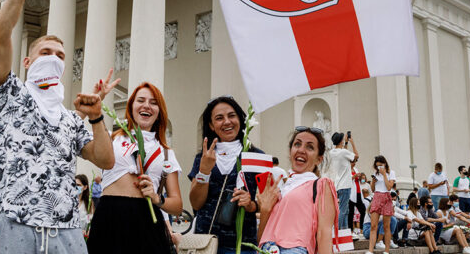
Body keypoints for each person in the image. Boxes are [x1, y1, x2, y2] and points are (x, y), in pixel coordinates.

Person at [0, 0, 116, 254]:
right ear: (28, 62)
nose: (54, 58)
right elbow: (0, 36)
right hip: (18, 224)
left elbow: (105, 160)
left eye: (60, 55)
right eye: (45, 53)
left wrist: (97, 116)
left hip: (67, 229)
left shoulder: (71, 118)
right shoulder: (10, 93)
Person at [87, 82, 182, 253]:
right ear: (131, 106)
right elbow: (74, 129)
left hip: (148, 221)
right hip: (109, 217)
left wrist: (156, 198)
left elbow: (177, 205)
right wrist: (96, 101)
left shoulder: (166, 152)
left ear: (160, 111)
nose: (147, 105)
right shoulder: (111, 138)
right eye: (141, 100)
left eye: (154, 103)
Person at [188, 96, 264, 254]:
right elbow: (195, 203)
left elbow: (269, 203)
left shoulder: (257, 156)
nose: (227, 122)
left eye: (232, 115)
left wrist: (251, 205)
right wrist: (204, 172)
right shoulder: (204, 157)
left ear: (240, 119)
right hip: (205, 245)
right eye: (219, 118)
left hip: (242, 246)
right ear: (211, 125)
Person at [257, 126, 337, 254]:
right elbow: (261, 238)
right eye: (297, 144)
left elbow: (324, 233)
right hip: (267, 249)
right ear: (290, 151)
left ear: (319, 159)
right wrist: (265, 210)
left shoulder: (321, 184)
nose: (301, 150)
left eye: (310, 147)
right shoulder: (281, 190)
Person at [365, 155, 396, 254]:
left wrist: (384, 175)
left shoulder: (391, 173)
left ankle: (386, 250)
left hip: (386, 197)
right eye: (377, 166)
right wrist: (373, 182)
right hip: (377, 197)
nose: (379, 168)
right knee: (374, 226)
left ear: (385, 164)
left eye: (381, 165)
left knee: (386, 226)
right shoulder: (375, 173)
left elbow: (389, 187)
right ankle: (370, 250)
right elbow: (373, 190)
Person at [328, 131, 358, 230]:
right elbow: (356, 156)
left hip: (335, 185)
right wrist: (352, 142)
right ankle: (339, 232)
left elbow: (343, 153)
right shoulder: (344, 152)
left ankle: (344, 232)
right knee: (343, 211)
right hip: (345, 185)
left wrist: (345, 144)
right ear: (341, 141)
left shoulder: (331, 153)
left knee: (344, 210)